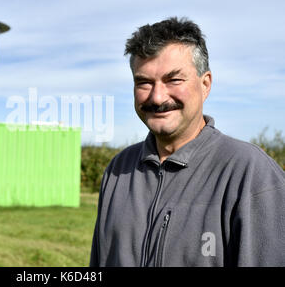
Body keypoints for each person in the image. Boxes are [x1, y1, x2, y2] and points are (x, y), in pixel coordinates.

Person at [89, 17, 285, 267]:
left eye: (174, 80)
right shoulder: (118, 170)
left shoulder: (250, 174)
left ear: (205, 85)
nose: (157, 97)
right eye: (144, 82)